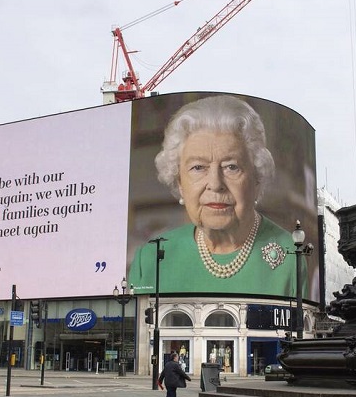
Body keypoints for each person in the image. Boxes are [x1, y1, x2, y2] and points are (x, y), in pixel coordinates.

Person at [129, 95, 306, 296]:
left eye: (231, 167)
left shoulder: (292, 255)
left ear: (256, 178)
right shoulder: (150, 258)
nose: (215, 184)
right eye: (198, 167)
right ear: (179, 183)